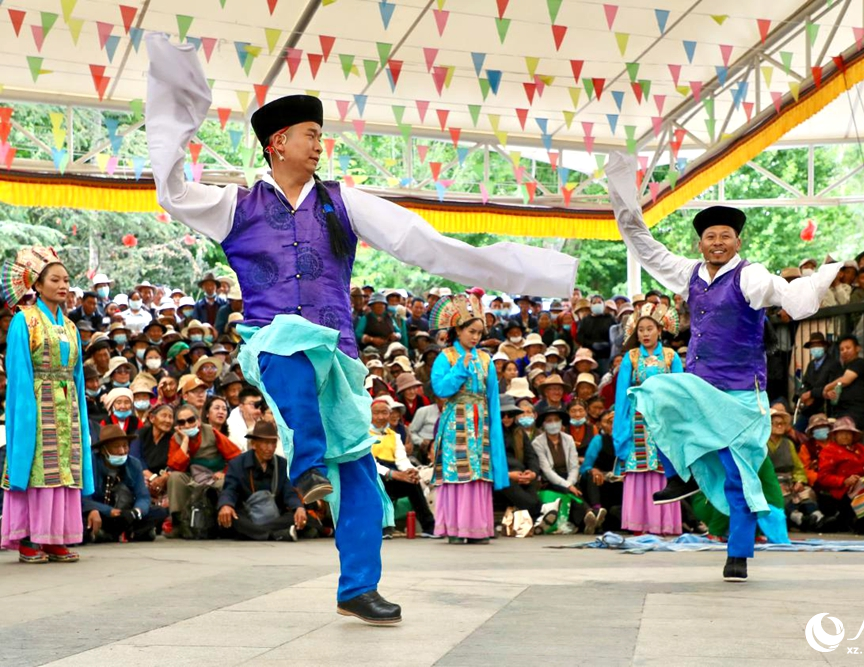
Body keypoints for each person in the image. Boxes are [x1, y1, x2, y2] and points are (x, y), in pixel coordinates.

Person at [147, 33, 575, 624]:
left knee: (361, 474)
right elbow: (169, 191)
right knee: (295, 354)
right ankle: (307, 466)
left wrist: (518, 269)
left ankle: (357, 586)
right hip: (274, 339)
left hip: (341, 353)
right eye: (311, 135)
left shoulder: (342, 201)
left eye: (321, 135)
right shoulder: (234, 205)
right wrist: (180, 103)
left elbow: (421, 243)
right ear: (278, 143)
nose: (321, 143)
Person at [608, 151, 839, 581]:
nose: (717, 242)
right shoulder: (689, 273)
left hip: (738, 393)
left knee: (739, 476)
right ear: (700, 243)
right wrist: (624, 197)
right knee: (653, 392)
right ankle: (680, 474)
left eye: (725, 236)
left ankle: (738, 554)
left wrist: (820, 278)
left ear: (737, 242)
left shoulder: (750, 276)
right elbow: (646, 247)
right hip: (700, 385)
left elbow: (790, 298)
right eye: (710, 236)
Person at [1, 248, 94, 563]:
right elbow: (19, 371)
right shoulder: (23, 320)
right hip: (36, 404)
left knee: (63, 470)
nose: (63, 285)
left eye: (66, 279)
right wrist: (25, 415)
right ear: (37, 285)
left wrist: (78, 412)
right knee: (36, 466)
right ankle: (28, 536)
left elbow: (78, 374)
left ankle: (54, 536)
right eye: (55, 279)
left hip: (67, 405)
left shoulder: (69, 325)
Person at [429, 295, 510, 544]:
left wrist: (494, 429)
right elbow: (440, 389)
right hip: (456, 420)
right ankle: (454, 528)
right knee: (457, 472)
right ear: (458, 330)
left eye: (479, 333)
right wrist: (460, 369)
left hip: (481, 420)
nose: (475, 337)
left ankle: (477, 529)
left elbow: (493, 397)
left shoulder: (486, 359)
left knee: (478, 472)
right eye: (471, 331)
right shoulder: (447, 357)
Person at [613, 303, 685, 536]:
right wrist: (621, 428)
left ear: (660, 330)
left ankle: (664, 523)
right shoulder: (631, 358)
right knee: (639, 469)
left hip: (665, 420)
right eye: (641, 330)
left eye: (649, 329)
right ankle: (638, 524)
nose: (644, 333)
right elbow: (622, 394)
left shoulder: (671, 356)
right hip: (638, 420)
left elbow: (680, 391)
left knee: (664, 470)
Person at [217, 421, 309, 542]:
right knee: (231, 517)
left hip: (274, 515)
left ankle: (254, 532)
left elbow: (289, 492)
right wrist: (226, 505)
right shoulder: (237, 464)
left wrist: (298, 507)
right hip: (248, 514)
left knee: (296, 516)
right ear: (254, 444)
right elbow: (230, 489)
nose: (270, 448)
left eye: (273, 443)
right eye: (265, 443)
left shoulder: (281, 464)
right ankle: (275, 534)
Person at [165, 403, 242, 533]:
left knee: (225, 482)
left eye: (191, 420)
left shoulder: (212, 432)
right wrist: (185, 442)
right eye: (182, 422)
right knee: (175, 478)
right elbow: (175, 466)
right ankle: (180, 523)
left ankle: (220, 524)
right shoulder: (176, 438)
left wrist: (224, 472)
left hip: (214, 476)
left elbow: (236, 457)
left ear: (199, 421)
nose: (187, 425)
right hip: (192, 477)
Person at [83, 424, 168, 542]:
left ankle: (118, 533)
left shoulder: (134, 464)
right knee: (82, 524)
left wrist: (136, 512)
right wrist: (104, 510)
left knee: (159, 512)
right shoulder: (90, 464)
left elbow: (143, 496)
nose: (122, 451)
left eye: (125, 446)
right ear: (103, 449)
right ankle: (123, 533)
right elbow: (84, 498)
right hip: (101, 512)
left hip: (126, 512)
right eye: (116, 447)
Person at [531, 406, 605, 533]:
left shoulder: (568, 439)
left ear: (561, 422)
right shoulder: (537, 442)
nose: (553, 423)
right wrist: (568, 485)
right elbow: (547, 470)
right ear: (543, 424)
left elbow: (574, 465)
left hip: (570, 476)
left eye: (556, 420)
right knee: (568, 489)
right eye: (549, 420)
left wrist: (571, 482)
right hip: (551, 479)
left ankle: (595, 510)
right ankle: (590, 513)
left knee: (589, 477)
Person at [369, 398, 434, 536]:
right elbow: (372, 463)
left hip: (392, 473)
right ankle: (384, 527)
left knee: (412, 483)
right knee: (379, 483)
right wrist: (393, 474)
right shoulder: (365, 435)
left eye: (384, 413)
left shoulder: (394, 436)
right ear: (370, 414)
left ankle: (429, 527)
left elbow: (402, 460)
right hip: (374, 475)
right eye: (376, 413)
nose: (381, 417)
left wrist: (410, 471)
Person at [494, 395, 555, 531]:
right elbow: (488, 461)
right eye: (502, 415)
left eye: (510, 415)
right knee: (507, 483)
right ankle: (541, 511)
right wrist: (509, 474)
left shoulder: (519, 431)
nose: (506, 418)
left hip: (520, 472)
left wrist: (532, 472)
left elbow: (531, 456)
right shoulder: (491, 433)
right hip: (500, 475)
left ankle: (536, 517)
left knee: (531, 482)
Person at [766, 408, 824, 531]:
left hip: (789, 479)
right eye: (775, 423)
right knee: (780, 494)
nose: (780, 426)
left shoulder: (789, 443)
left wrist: (799, 481)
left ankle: (817, 517)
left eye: (782, 423)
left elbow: (798, 467)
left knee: (805, 492)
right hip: (770, 481)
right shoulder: (761, 444)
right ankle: (799, 519)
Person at [815, 417, 864, 533]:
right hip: (842, 490)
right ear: (835, 435)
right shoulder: (829, 451)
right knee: (862, 484)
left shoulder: (862, 449)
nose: (845, 436)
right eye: (841, 433)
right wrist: (844, 480)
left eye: (848, 433)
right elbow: (823, 477)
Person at [580, 409, 624, 531]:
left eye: (616, 422)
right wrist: (593, 470)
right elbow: (585, 467)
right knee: (592, 475)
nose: (613, 425)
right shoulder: (599, 440)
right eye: (609, 422)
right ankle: (597, 510)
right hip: (602, 481)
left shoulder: (628, 441)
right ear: (600, 425)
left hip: (622, 482)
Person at [822, 335, 864, 433]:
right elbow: (837, 388)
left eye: (848, 348)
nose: (844, 351)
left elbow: (845, 380)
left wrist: (826, 387)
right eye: (841, 349)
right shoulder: (841, 369)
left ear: (857, 348)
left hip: (855, 412)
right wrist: (829, 393)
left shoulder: (860, 363)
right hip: (840, 412)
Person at [794, 332, 841, 432]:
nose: (815, 348)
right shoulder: (811, 365)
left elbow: (831, 387)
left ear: (824, 346)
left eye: (818, 345)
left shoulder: (833, 364)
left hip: (825, 409)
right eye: (813, 346)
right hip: (809, 409)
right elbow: (804, 384)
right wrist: (803, 395)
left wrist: (811, 394)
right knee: (796, 432)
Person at [227, 386, 264, 452]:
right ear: (241, 406)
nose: (258, 409)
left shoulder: (266, 418)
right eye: (252, 404)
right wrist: (252, 427)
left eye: (259, 404)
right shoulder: (230, 424)